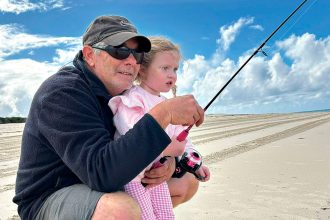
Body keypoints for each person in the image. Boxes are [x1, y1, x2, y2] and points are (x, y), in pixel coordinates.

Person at [13, 15, 205, 220]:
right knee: (121, 210)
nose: (131, 61)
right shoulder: (62, 93)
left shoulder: (125, 91)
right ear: (89, 55)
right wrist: (164, 113)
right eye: (120, 50)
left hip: (105, 179)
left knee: (187, 182)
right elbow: (102, 174)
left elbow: (134, 147)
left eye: (137, 53)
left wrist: (169, 162)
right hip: (51, 195)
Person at [108, 36, 210, 219]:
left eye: (175, 69)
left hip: (156, 175)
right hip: (133, 178)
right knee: (146, 216)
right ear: (143, 69)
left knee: (165, 216)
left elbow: (182, 138)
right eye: (165, 68)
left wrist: (194, 162)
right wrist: (167, 149)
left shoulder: (166, 103)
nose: (172, 74)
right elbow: (133, 135)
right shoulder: (133, 98)